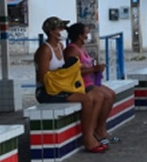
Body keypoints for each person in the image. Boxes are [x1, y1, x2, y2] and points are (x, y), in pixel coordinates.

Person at [34, 16, 107, 153]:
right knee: (87, 99)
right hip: (47, 91)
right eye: (60, 28)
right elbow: (42, 78)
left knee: (92, 97)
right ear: (52, 31)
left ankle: (91, 133)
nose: (63, 31)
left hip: (61, 87)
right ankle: (88, 138)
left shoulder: (60, 47)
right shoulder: (45, 50)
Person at [64, 22, 119, 145]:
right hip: (81, 84)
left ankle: (101, 128)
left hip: (91, 81)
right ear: (80, 36)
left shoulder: (82, 49)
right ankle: (92, 130)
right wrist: (94, 69)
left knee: (111, 95)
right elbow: (73, 71)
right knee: (100, 97)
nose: (88, 35)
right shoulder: (72, 50)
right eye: (86, 33)